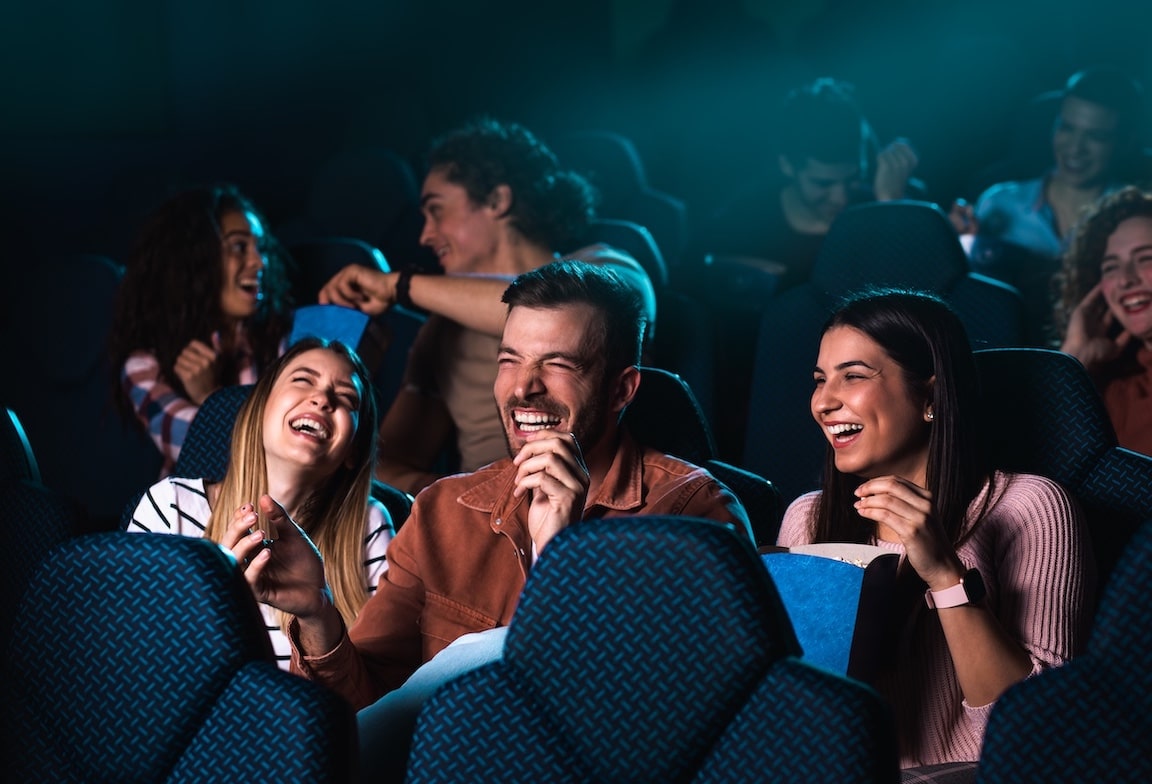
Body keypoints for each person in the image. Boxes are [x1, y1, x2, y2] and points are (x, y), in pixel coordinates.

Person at [236, 260, 751, 710]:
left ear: (621, 389)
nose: (523, 387)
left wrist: (561, 557)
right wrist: (316, 613)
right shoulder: (444, 510)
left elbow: (672, 719)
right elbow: (363, 711)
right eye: (509, 360)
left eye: (557, 364)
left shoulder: (693, 514)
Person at [777, 289, 1094, 768]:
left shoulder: (1030, 507)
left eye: (853, 376)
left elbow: (1038, 734)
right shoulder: (807, 518)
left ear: (930, 395)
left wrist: (946, 575)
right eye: (820, 380)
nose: (823, 402)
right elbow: (798, 724)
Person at [319, 118, 657, 496]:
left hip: (601, 502)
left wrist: (398, 285)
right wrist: (468, 501)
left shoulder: (609, 268)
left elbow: (559, 309)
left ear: (497, 201)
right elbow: (389, 463)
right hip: (489, 517)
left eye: (436, 210)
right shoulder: (443, 326)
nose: (425, 235)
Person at [127, 337, 393, 670]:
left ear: (353, 450)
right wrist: (219, 601)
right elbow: (134, 664)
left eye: (346, 398)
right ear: (260, 409)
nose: (323, 399)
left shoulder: (370, 524)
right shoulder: (170, 506)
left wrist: (317, 616)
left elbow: (379, 689)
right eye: (303, 380)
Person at [109, 184, 295, 476]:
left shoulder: (285, 339)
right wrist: (216, 399)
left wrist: (209, 395)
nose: (259, 262)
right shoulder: (143, 367)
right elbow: (206, 456)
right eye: (239, 247)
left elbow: (294, 454)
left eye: (261, 247)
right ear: (193, 263)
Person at [964, 66, 1146, 345]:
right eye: (1067, 128)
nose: (1075, 148)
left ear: (1124, 143)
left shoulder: (1134, 214)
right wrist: (962, 244)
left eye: (1095, 137)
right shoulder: (1000, 203)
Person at [697, 77, 920, 291]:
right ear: (787, 166)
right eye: (823, 183)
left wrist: (892, 206)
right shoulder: (744, 221)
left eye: (853, 179)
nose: (841, 198)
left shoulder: (882, 206)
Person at [1057, 186, 1152, 454]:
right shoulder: (1109, 392)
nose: (1125, 279)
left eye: (1145, 258)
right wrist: (1075, 358)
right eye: (1111, 267)